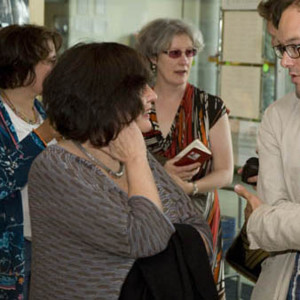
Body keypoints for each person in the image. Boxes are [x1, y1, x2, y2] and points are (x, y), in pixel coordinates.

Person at [28, 42, 217, 299]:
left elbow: (199, 231)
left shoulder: (132, 154)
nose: (153, 95)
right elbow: (147, 238)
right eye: (141, 87)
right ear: (105, 95)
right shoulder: (56, 167)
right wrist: (137, 158)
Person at [135, 18, 233, 298]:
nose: (184, 61)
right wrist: (162, 174)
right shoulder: (136, 102)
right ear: (154, 57)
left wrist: (189, 188)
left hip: (199, 217)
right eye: (175, 53)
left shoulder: (209, 106)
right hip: (149, 216)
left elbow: (226, 172)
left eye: (190, 52)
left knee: (199, 287)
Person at [235, 1, 300, 299]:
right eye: (282, 48)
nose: (286, 62)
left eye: (296, 47)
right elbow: (270, 204)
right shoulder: (279, 114)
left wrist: (263, 219)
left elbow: (264, 216)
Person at [0, 24, 62, 299]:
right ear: (22, 63)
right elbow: (3, 180)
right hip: (12, 250)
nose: (56, 68)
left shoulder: (42, 110)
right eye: (49, 61)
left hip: (49, 243)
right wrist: (43, 135)